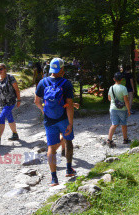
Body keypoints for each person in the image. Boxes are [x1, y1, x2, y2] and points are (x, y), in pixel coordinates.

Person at [34, 58, 76, 186]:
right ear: (62, 69)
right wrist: (70, 123)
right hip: (63, 119)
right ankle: (68, 169)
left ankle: (54, 178)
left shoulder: (43, 82)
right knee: (68, 141)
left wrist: (43, 111)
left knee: (51, 148)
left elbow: (36, 101)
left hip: (49, 120)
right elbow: (69, 106)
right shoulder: (66, 84)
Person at [0, 63, 21, 145]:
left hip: (10, 101)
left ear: (5, 69)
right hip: (2, 102)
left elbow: (17, 89)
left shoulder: (10, 78)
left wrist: (19, 100)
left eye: (1, 69)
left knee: (1, 118)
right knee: (9, 117)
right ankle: (15, 134)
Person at [106, 72, 131, 148]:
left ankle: (109, 139)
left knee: (114, 124)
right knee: (124, 124)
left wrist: (114, 102)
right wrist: (129, 110)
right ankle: (125, 139)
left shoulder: (111, 87)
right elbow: (126, 100)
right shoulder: (123, 88)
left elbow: (109, 98)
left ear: (114, 79)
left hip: (113, 108)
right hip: (122, 109)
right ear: (122, 79)